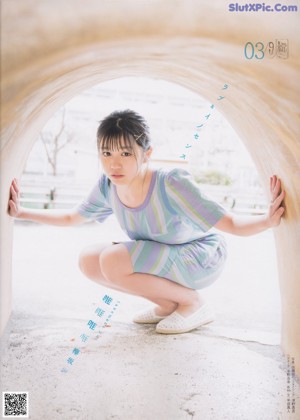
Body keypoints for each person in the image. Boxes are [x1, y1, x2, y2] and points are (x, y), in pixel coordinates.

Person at [8, 109, 285, 334]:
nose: (114, 164)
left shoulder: (171, 182)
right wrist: (22, 212)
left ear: (147, 153)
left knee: (113, 260)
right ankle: (168, 305)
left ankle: (193, 302)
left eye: (125, 153)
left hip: (199, 256)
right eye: (106, 153)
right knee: (89, 261)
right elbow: (72, 217)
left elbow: (231, 224)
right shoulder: (108, 185)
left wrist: (268, 220)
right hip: (163, 257)